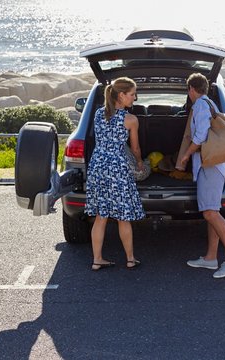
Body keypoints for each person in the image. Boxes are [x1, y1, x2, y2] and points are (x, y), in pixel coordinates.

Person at [177, 73, 225, 278]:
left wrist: (185, 156)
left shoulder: (199, 105)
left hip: (211, 166)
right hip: (213, 165)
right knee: (211, 211)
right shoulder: (210, 103)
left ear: (191, 90)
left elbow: (201, 134)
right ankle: (210, 258)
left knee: (210, 213)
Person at [85, 77, 145, 271]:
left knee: (101, 216)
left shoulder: (97, 114)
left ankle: (97, 260)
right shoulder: (130, 120)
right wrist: (139, 163)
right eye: (132, 94)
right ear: (121, 95)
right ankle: (130, 258)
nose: (134, 98)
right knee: (122, 216)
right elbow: (135, 148)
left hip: (98, 165)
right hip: (117, 167)